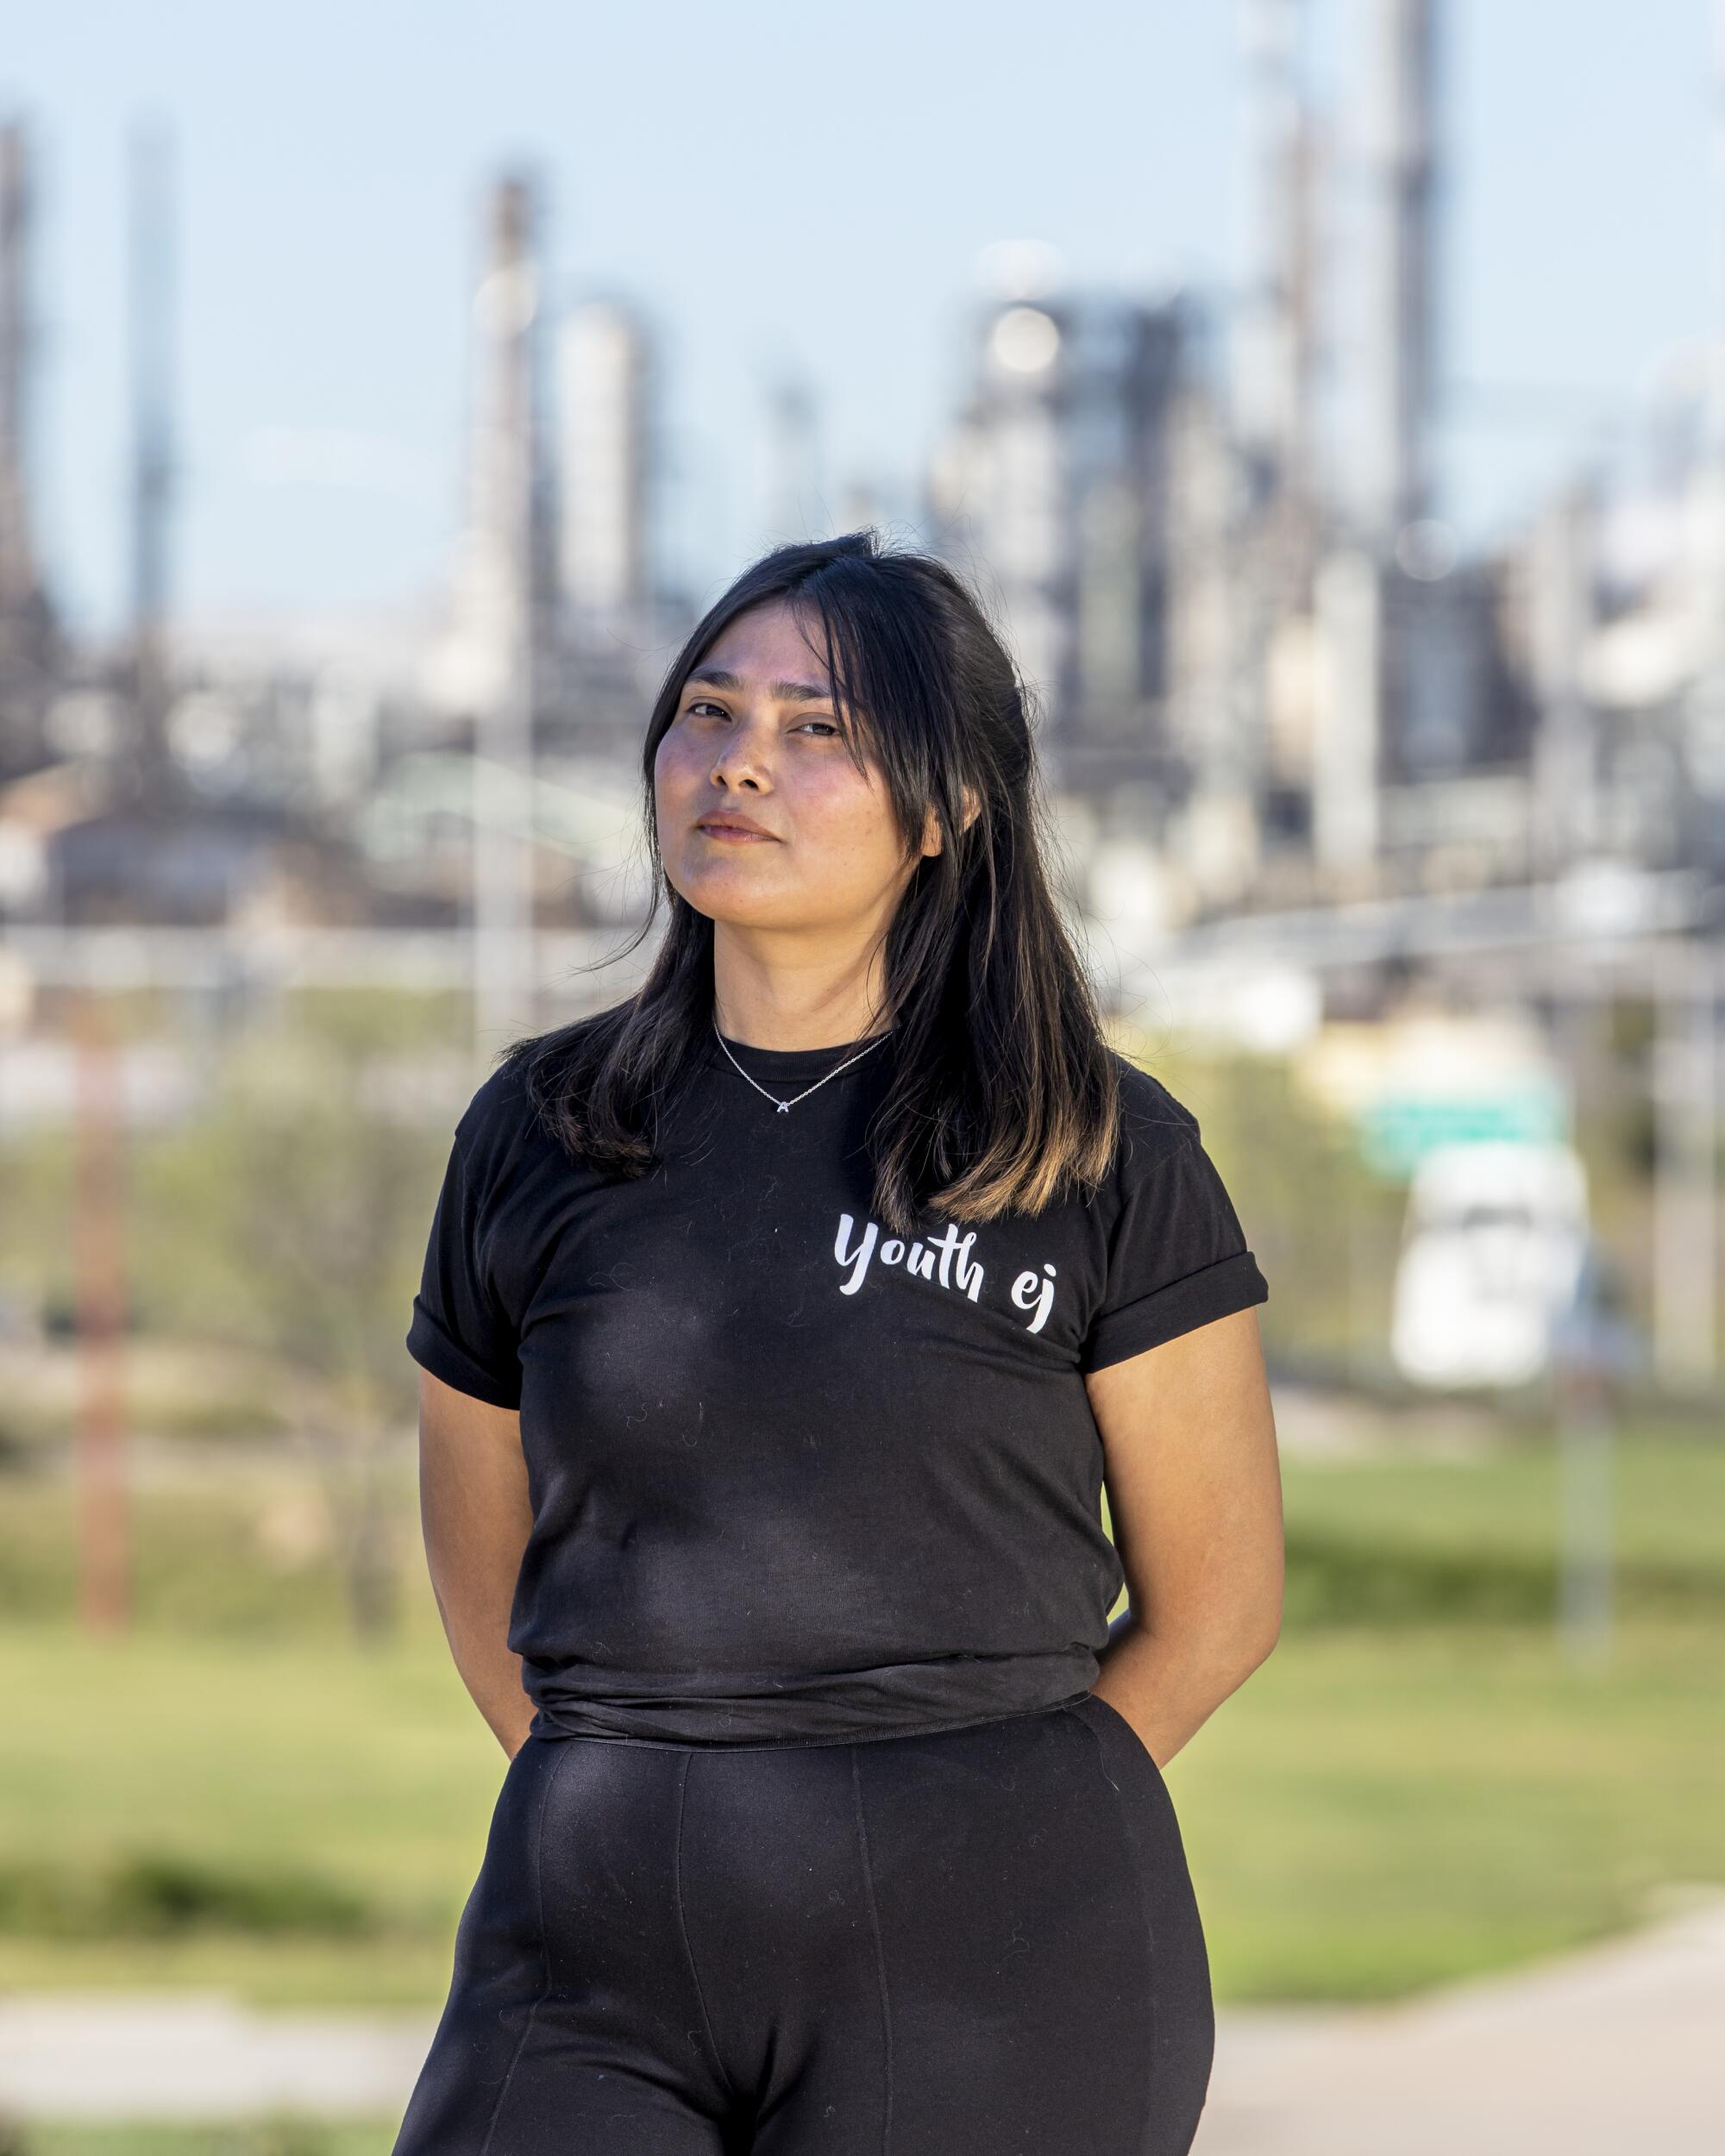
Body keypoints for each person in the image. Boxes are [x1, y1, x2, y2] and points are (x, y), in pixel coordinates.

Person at [392, 530, 1283, 2156]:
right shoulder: (540, 1127)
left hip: (997, 1948)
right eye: (708, 714)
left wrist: (986, 1818)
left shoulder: (1096, 1148)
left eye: (821, 733)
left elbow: (1221, 1600)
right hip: (591, 1927)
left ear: (945, 811)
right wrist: (657, 1791)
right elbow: (481, 1556)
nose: (741, 766)